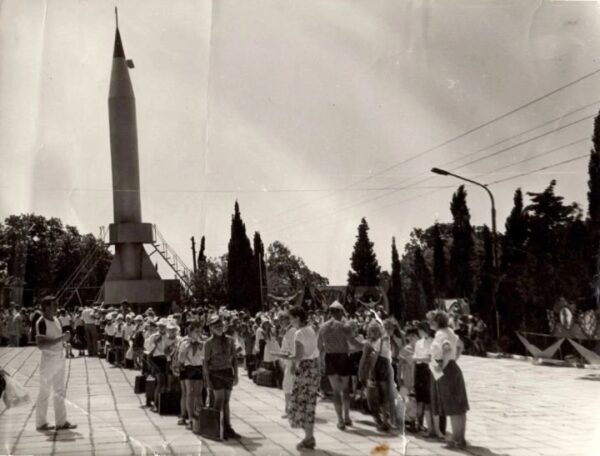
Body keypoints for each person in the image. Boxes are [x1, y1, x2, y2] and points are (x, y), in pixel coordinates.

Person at [35, 296, 77, 431]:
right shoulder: (41, 322)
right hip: (48, 361)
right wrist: (61, 338)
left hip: (59, 358)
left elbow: (58, 339)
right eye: (54, 305)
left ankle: (61, 421)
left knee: (59, 391)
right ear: (46, 306)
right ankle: (41, 423)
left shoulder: (57, 320)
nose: (56, 307)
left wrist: (65, 338)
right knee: (44, 392)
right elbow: (41, 345)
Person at [281, 306, 320, 450]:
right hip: (314, 368)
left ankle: (309, 438)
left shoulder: (298, 333)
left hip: (304, 369)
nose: (290, 321)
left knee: (301, 404)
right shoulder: (311, 329)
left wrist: (284, 356)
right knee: (309, 404)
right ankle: (309, 437)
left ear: (297, 317)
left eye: (291, 318)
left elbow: (298, 356)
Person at [430, 310, 469, 449]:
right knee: (460, 407)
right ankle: (460, 438)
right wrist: (455, 358)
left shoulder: (440, 334)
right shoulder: (451, 331)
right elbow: (460, 345)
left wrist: (443, 366)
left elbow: (446, 348)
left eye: (431, 320)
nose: (430, 323)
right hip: (454, 368)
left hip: (446, 370)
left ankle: (456, 440)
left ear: (436, 322)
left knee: (452, 407)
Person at [203, 315, 241, 440]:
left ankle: (228, 427)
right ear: (211, 328)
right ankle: (217, 427)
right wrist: (207, 380)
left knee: (226, 401)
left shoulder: (229, 340)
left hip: (227, 372)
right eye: (215, 326)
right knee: (219, 400)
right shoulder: (208, 343)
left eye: (220, 325)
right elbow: (205, 363)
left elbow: (234, 359)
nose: (219, 328)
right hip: (215, 373)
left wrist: (236, 375)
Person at [317, 301, 353, 430]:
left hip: (330, 357)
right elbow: (352, 343)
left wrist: (321, 361)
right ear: (340, 312)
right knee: (346, 389)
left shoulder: (323, 327)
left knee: (336, 391)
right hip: (343, 357)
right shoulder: (344, 326)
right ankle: (347, 417)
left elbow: (319, 346)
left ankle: (340, 420)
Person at [179, 322, 205, 430]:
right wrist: (187, 347)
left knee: (198, 394)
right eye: (196, 331)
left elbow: (205, 358)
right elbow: (181, 359)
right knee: (189, 392)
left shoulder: (203, 343)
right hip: (188, 369)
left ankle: (200, 417)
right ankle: (189, 418)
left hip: (199, 368)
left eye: (200, 331)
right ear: (190, 332)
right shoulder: (184, 343)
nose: (198, 334)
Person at [414, 320, 436, 437]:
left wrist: (421, 359)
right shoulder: (418, 343)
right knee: (419, 399)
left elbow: (430, 358)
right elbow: (417, 358)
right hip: (419, 371)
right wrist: (421, 359)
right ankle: (419, 423)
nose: (419, 332)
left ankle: (431, 427)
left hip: (429, 371)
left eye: (420, 330)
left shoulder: (433, 342)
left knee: (428, 400)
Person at [278, 311, 296, 418]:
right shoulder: (288, 331)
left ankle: (289, 409)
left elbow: (294, 348)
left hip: (291, 361)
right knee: (287, 385)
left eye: (282, 319)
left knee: (289, 386)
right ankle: (289, 408)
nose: (280, 322)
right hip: (288, 361)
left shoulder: (292, 331)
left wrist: (293, 364)